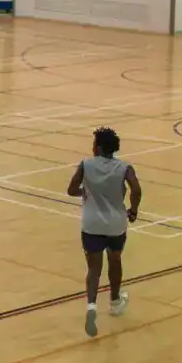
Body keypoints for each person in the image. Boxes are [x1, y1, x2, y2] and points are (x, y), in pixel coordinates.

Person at [67, 126, 142, 338]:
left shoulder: (86, 165)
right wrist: (133, 210)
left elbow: (71, 190)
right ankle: (115, 301)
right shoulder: (124, 167)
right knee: (115, 258)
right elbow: (136, 190)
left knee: (93, 268)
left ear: (98, 147)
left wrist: (86, 192)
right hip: (116, 224)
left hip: (91, 225)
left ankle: (91, 306)